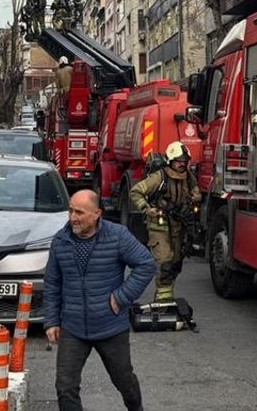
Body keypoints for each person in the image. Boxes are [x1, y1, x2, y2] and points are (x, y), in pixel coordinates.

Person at [44, 190, 155, 411]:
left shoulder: (117, 236)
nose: (73, 217)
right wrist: (51, 321)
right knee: (65, 388)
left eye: (79, 212)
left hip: (110, 327)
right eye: (70, 210)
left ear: (96, 214)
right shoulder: (60, 241)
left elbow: (146, 264)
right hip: (73, 328)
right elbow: (52, 284)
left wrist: (120, 298)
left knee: (125, 382)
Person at [130, 142, 200, 303]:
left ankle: (167, 297)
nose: (182, 164)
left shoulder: (188, 177)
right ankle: (162, 303)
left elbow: (195, 191)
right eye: (178, 161)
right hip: (159, 225)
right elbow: (136, 192)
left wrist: (195, 197)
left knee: (176, 263)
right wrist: (147, 209)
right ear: (170, 160)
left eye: (184, 161)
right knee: (165, 263)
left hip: (178, 225)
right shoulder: (159, 177)